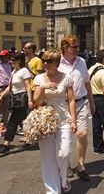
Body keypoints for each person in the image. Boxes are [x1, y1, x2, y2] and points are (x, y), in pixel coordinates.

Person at [33, 49, 77, 194]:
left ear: (57, 63)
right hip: (45, 121)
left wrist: (73, 120)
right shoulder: (39, 79)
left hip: (63, 119)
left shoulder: (67, 78)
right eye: (44, 60)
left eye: (49, 61)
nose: (45, 63)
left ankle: (63, 180)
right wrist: (43, 88)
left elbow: (71, 100)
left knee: (64, 153)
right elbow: (36, 102)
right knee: (47, 156)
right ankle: (52, 189)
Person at [58, 35, 95, 181]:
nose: (77, 49)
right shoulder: (57, 63)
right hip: (63, 106)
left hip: (81, 103)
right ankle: (65, 165)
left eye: (78, 47)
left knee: (82, 134)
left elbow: (87, 82)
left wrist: (91, 101)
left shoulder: (81, 61)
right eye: (74, 47)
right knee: (64, 139)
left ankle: (81, 165)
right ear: (65, 48)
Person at [0, 53, 33, 154]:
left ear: (19, 61)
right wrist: (2, 96)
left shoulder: (24, 71)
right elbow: (10, 87)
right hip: (14, 98)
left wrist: (30, 100)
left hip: (21, 98)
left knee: (13, 121)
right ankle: (31, 138)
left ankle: (6, 144)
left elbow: (28, 86)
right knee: (23, 121)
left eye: (13, 60)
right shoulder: (14, 72)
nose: (10, 61)